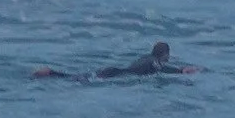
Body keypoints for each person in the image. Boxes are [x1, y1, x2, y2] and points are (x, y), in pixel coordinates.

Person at [32, 42, 202, 79]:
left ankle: (50, 72)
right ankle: (50, 72)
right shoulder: (154, 62)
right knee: (77, 79)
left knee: (78, 77)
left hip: (115, 70)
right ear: (165, 55)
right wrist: (181, 71)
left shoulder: (146, 57)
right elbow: (160, 68)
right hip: (117, 74)